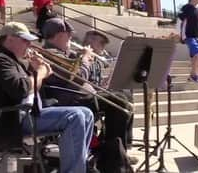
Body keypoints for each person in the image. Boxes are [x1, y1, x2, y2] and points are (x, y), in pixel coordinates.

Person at [0, 22, 94, 173]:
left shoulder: (13, 61)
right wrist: (40, 72)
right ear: (9, 39)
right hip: (11, 120)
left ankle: (78, 167)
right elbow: (21, 90)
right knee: (75, 116)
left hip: (25, 113)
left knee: (87, 113)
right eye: (25, 40)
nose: (29, 44)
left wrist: (33, 70)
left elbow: (28, 89)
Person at [41, 21, 134, 154]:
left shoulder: (64, 53)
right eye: (69, 36)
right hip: (70, 100)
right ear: (60, 35)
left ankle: (113, 148)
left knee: (123, 95)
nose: (71, 39)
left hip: (81, 96)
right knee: (119, 101)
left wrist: (79, 57)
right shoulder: (50, 53)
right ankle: (112, 154)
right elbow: (78, 77)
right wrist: (84, 59)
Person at [178, 0, 198, 83]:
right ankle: (195, 75)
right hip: (187, 35)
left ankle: (192, 75)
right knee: (196, 52)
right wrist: (178, 34)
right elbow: (179, 21)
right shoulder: (186, 8)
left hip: (197, 36)